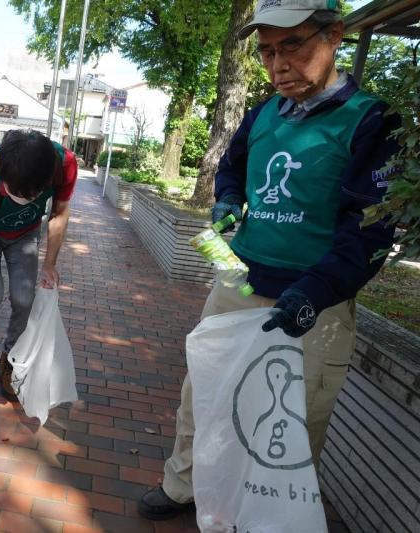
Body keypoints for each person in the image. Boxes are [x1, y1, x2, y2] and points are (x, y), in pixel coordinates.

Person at [139, 0, 399, 520]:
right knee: (205, 392)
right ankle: (182, 486)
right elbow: (232, 167)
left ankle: (264, 515)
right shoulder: (262, 114)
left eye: (293, 46)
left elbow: (369, 229)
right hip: (238, 285)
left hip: (315, 304)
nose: (278, 65)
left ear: (335, 36)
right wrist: (228, 201)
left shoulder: (372, 121)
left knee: (294, 421)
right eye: (267, 52)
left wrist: (317, 291)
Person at [0, 129, 78, 404]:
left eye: (32, 194)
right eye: (15, 192)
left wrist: (50, 263)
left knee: (24, 300)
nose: (23, 197)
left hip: (25, 234)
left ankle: (8, 362)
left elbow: (59, 213)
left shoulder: (64, 164)